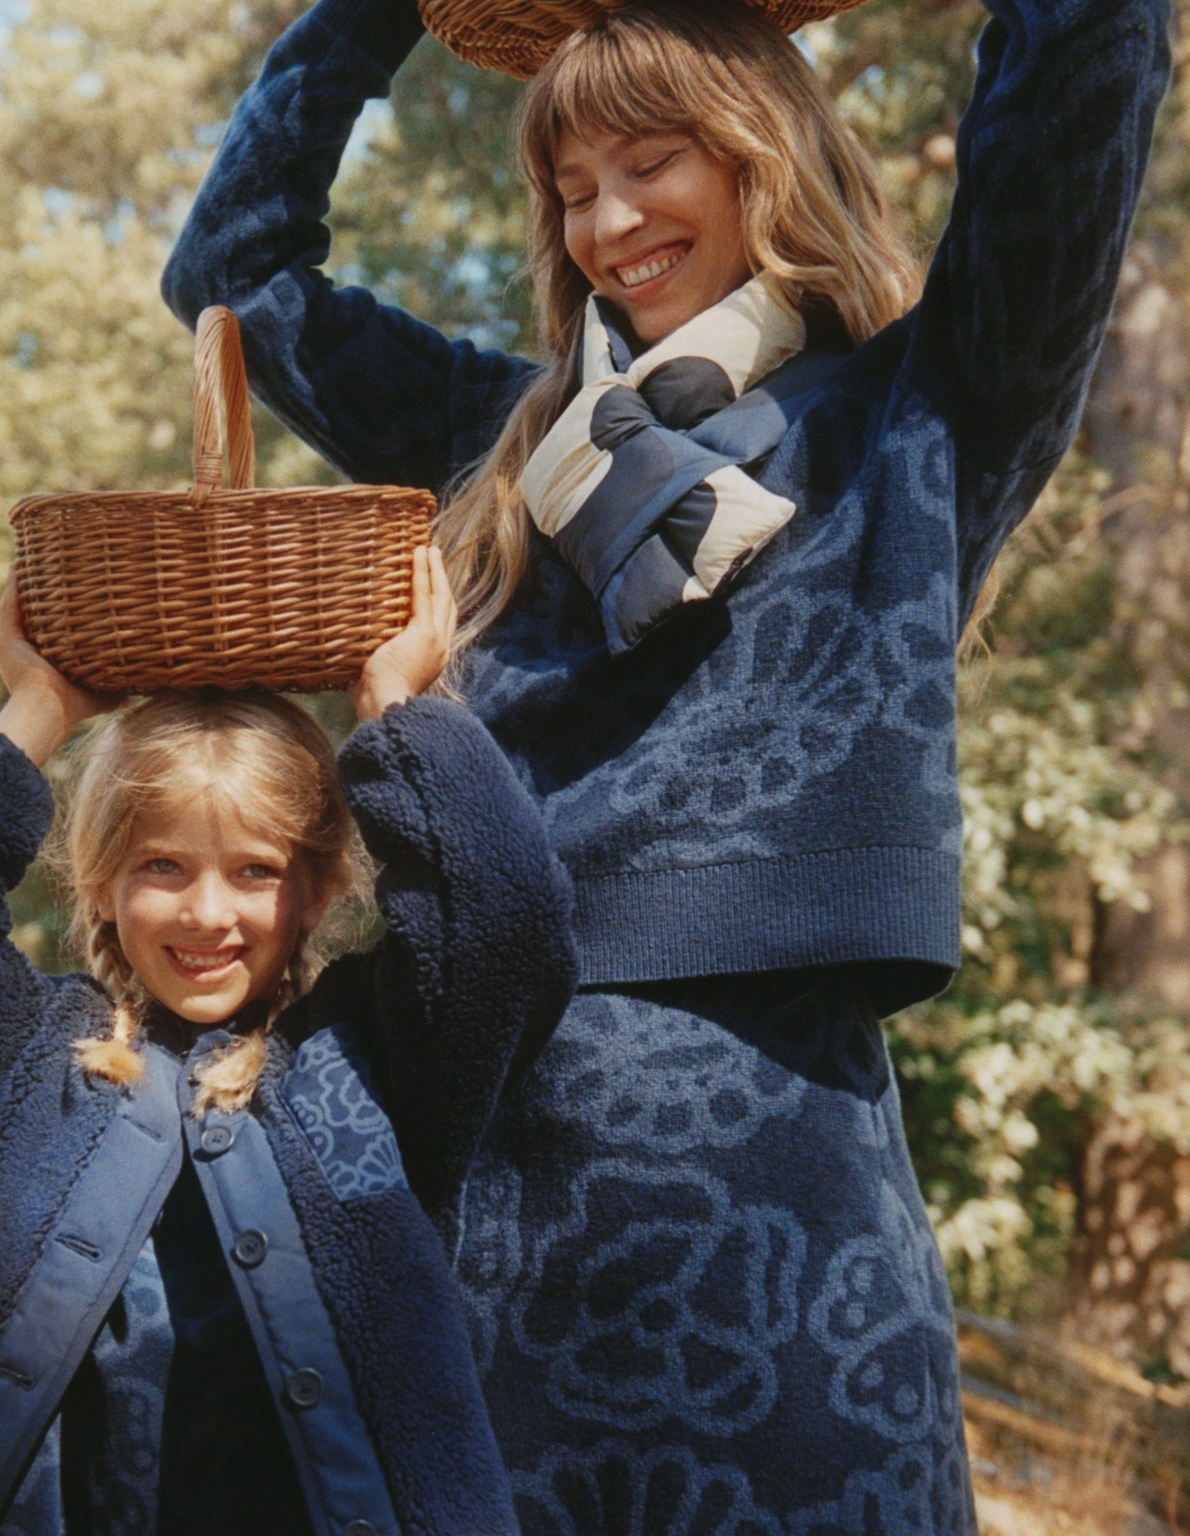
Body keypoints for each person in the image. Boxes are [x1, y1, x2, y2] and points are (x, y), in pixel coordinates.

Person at [161, 0, 1174, 1529]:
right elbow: (231, 280)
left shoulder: (925, 408)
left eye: (651, 161)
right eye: (569, 186)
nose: (607, 222)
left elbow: (1087, 64)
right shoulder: (495, 435)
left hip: (790, 1198)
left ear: (766, 156)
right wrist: (370, 14)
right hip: (471, 1176)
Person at [0, 548, 576, 1536]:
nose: (208, 914)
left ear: (320, 892)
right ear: (103, 890)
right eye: (162, 865)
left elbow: (507, 922)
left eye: (254, 870)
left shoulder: (377, 1063)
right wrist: (39, 701)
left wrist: (392, 702)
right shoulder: (28, 1066)